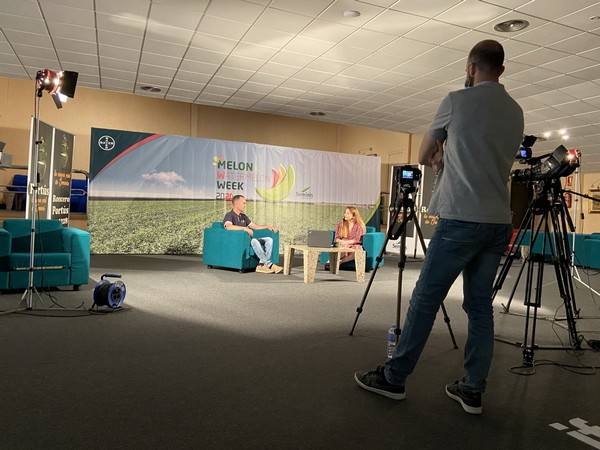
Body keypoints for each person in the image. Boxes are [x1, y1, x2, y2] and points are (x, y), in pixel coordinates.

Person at [354, 40, 524, 415]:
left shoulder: (456, 100)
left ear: (470, 67)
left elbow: (421, 153)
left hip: (460, 217)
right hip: (498, 221)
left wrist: (439, 157)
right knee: (480, 308)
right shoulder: (516, 111)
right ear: (501, 69)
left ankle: (394, 378)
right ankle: (472, 389)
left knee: (425, 300)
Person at [223, 195, 282, 274]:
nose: (245, 205)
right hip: (240, 242)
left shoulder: (243, 216)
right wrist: (244, 228)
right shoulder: (229, 215)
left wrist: (267, 226)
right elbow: (228, 226)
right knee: (254, 241)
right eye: (243, 203)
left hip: (249, 240)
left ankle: (262, 264)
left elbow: (254, 226)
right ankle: (269, 265)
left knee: (269, 240)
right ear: (237, 204)